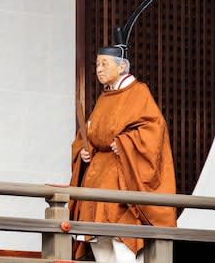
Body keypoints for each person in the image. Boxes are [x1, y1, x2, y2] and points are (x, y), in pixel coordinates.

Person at [68, 45, 177, 262]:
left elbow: (154, 129)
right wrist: (83, 150)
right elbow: (89, 132)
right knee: (100, 244)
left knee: (121, 242)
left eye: (104, 64)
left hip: (122, 182)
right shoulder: (104, 97)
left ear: (122, 67)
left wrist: (126, 142)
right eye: (97, 65)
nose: (99, 69)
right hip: (96, 184)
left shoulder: (138, 92)